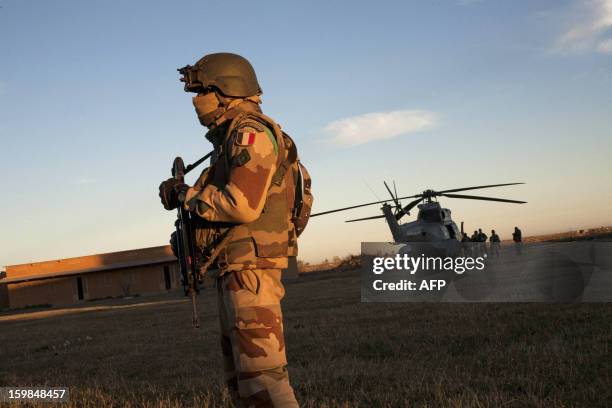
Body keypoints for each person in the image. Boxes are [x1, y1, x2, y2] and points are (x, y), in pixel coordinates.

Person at [158, 53, 301, 407]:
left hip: (250, 272)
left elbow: (241, 204)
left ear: (226, 90)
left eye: (202, 91)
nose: (196, 101)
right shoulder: (229, 141)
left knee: (264, 383)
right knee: (244, 385)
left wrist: (185, 194)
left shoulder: (250, 132)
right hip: (236, 269)